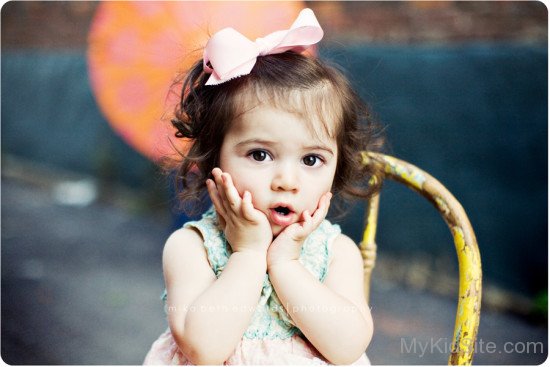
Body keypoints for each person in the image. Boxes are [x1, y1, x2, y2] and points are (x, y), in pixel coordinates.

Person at [144, 8, 384, 365]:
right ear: (214, 159)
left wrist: (285, 264)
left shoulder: (334, 252)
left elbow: (348, 348)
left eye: (311, 160)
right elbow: (204, 350)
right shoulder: (192, 247)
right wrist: (248, 255)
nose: (286, 182)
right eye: (259, 155)